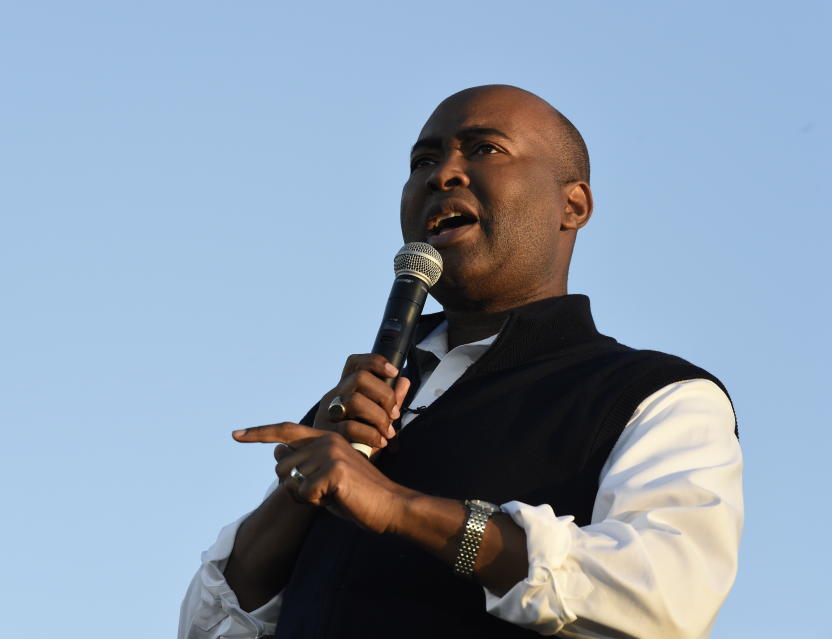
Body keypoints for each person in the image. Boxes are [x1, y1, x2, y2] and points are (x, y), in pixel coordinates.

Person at [178, 85, 743, 639]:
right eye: (423, 159)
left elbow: (664, 600)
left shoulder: (653, 396)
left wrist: (397, 507)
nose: (441, 174)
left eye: (484, 149)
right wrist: (302, 487)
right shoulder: (362, 400)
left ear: (572, 205)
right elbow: (208, 628)